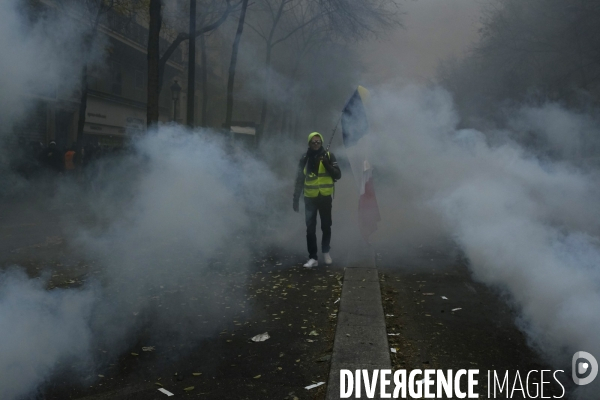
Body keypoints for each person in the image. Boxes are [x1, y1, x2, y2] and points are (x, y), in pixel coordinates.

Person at [293, 132, 341, 268]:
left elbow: (338, 174)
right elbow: (299, 179)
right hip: (309, 198)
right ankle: (313, 257)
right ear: (309, 143)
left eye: (318, 142)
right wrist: (295, 198)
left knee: (326, 226)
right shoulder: (304, 158)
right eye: (313, 142)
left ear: (321, 143)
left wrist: (327, 164)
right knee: (310, 229)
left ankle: (326, 252)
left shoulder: (329, 156)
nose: (316, 144)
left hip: (325, 197)